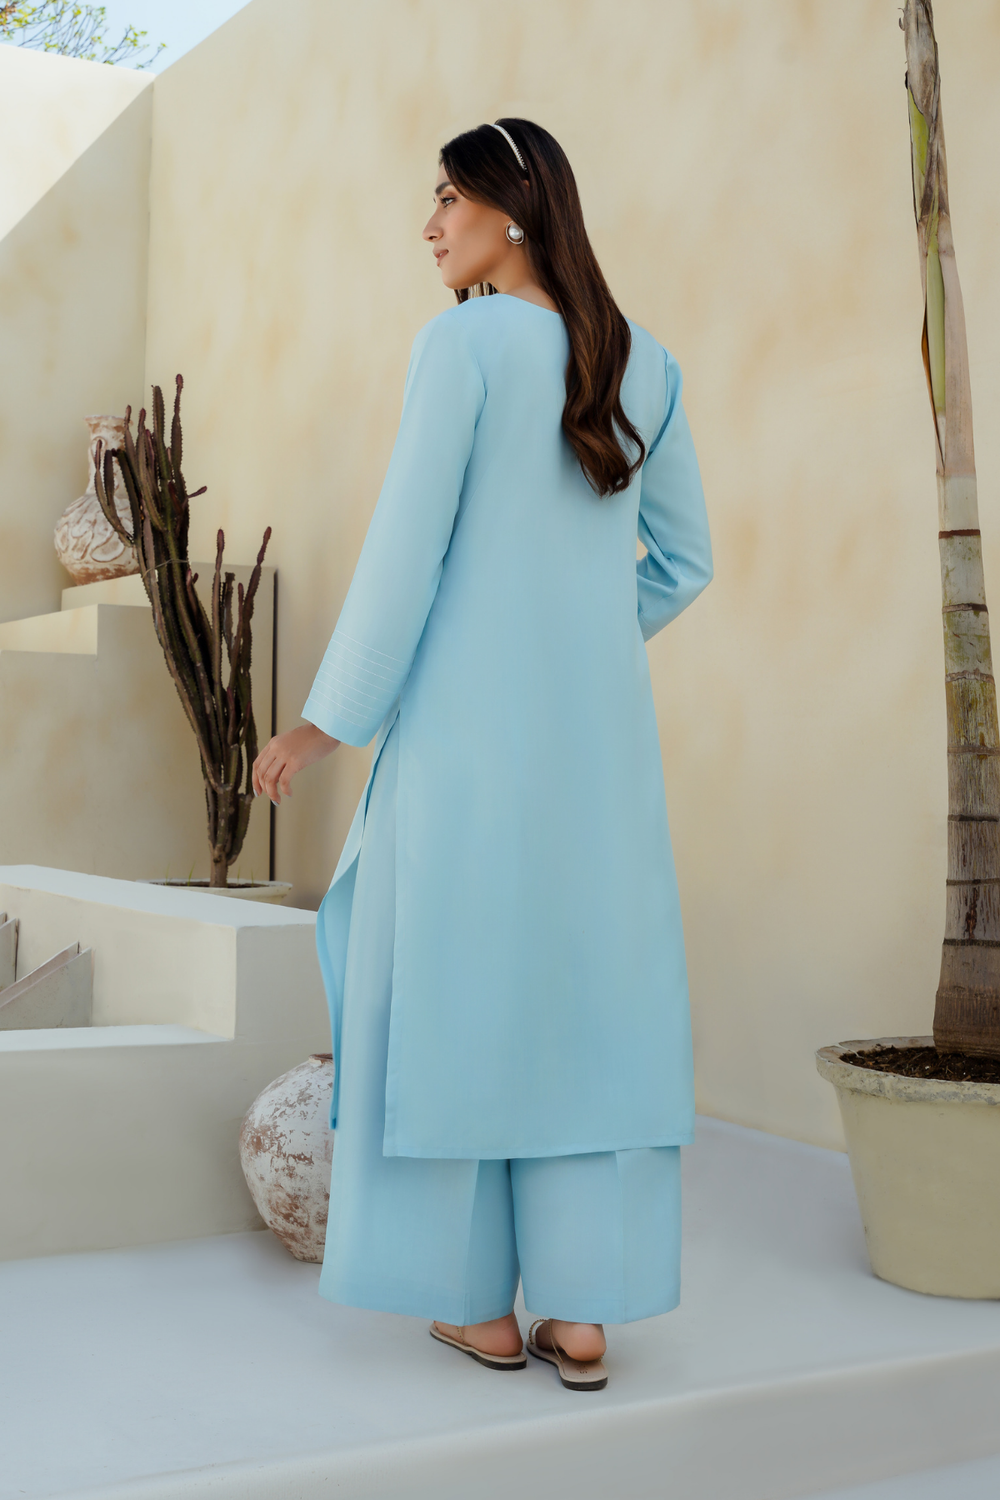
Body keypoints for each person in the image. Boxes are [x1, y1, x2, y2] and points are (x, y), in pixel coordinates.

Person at [252, 118, 712, 1393]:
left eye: (448, 199)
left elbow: (404, 555)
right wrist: (578, 648)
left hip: (462, 746)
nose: (430, 225)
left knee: (457, 996)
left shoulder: (460, 347)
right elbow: (685, 564)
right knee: (586, 1004)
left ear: (513, 208)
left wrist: (323, 721)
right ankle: (583, 1314)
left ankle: (477, 1312)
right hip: (600, 757)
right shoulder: (648, 363)